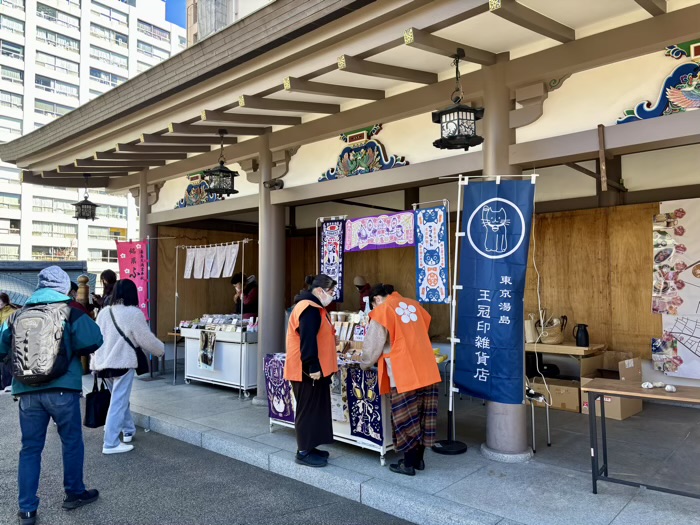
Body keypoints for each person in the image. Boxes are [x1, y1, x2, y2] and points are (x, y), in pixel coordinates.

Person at [0, 266, 103, 525]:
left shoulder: (17, 315)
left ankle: (27, 509)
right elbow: (94, 340)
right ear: (61, 288)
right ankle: (74, 493)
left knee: (30, 449)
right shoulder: (69, 311)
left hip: (26, 392)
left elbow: (1, 347)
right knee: (71, 442)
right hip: (63, 389)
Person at [360, 283, 441, 477]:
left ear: (377, 299)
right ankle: (419, 460)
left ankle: (408, 464)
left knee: (406, 419)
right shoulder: (415, 305)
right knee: (423, 416)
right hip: (427, 367)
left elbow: (373, 346)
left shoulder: (383, 310)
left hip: (403, 371)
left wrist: (363, 363)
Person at [91, 279, 165, 455]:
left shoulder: (104, 312)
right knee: (118, 402)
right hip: (122, 363)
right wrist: (160, 350)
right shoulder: (133, 313)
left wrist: (94, 360)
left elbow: (95, 338)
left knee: (118, 400)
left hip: (102, 364)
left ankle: (128, 430)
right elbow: (145, 339)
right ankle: (110, 443)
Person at [283, 274, 338, 468]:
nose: (332, 296)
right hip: (306, 370)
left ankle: (311, 445)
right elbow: (308, 340)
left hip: (317, 369)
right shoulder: (309, 308)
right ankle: (303, 451)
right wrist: (312, 365)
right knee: (307, 410)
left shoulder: (315, 308)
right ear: (320, 291)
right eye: (331, 292)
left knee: (316, 409)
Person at [0, 292, 17, 390]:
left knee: (6, 368)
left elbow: (5, 332)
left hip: (8, 345)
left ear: (5, 301)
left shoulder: (12, 312)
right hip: (4, 343)